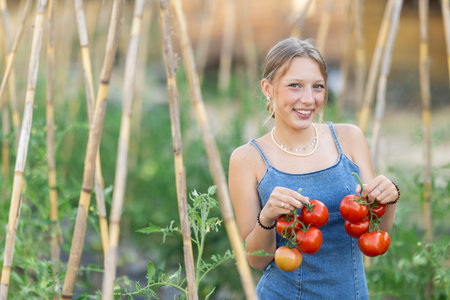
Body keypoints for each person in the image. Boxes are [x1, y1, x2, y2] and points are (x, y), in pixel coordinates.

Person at [228, 38, 400, 299]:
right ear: (268, 88)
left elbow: (376, 234)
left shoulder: (349, 139)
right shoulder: (247, 159)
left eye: (317, 87)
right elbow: (257, 261)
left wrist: (389, 199)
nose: (308, 99)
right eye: (295, 86)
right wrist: (267, 217)